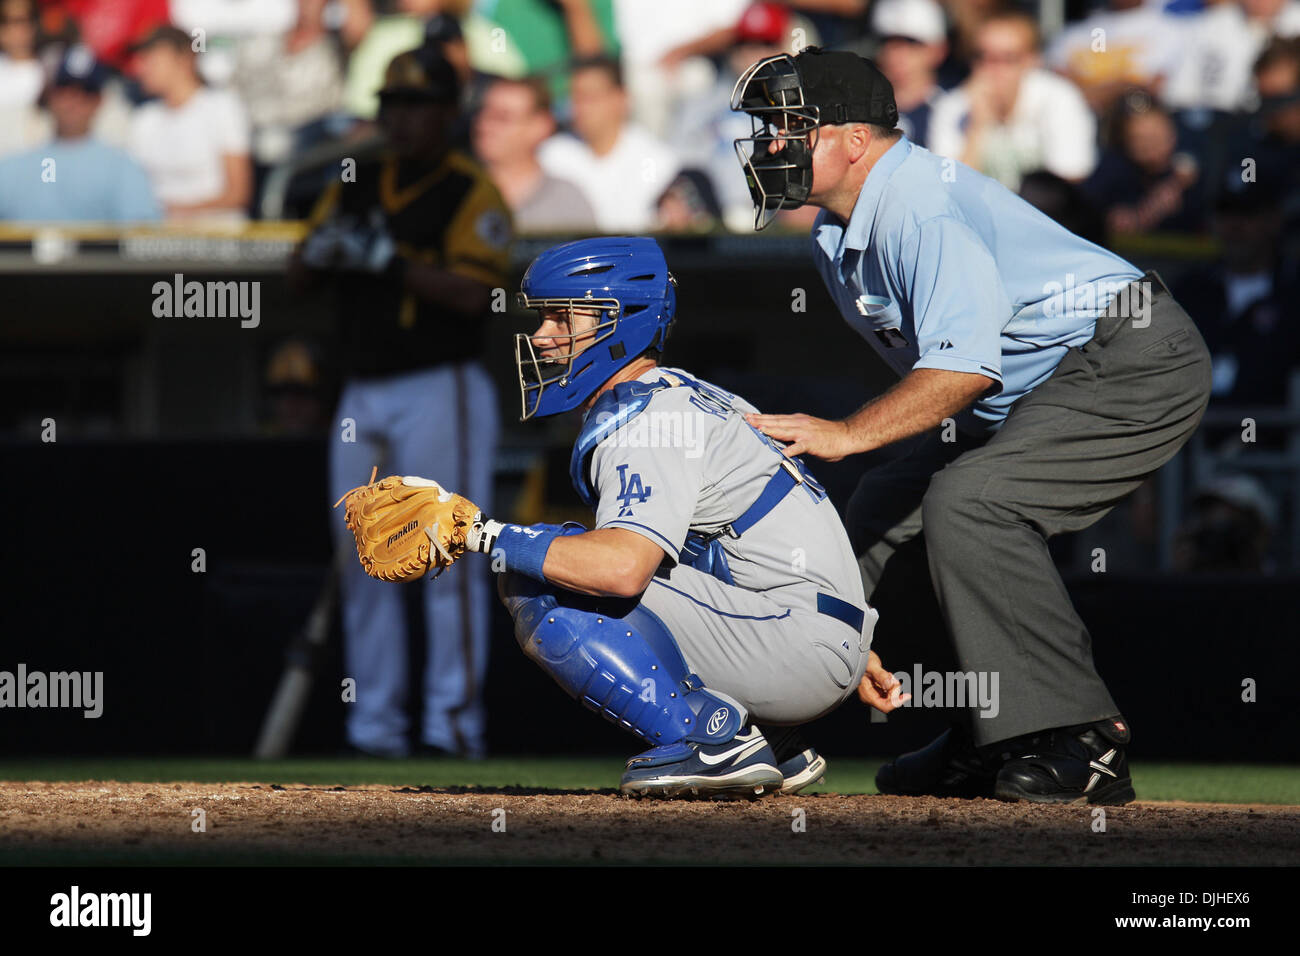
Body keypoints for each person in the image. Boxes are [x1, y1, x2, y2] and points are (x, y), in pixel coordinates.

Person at [730, 47, 1213, 804]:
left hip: (1130, 354)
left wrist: (847, 433)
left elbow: (964, 370)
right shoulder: (837, 232)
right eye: (767, 128)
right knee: (883, 519)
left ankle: (1081, 739)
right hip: (1043, 384)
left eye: (789, 126)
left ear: (854, 140)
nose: (769, 144)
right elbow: (967, 377)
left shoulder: (916, 204)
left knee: (973, 503)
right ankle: (988, 729)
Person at [469, 236, 902, 796]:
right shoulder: (681, 394)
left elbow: (621, 570)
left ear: (617, 320)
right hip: (807, 630)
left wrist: (480, 533)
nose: (541, 335)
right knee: (569, 554)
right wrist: (843, 645)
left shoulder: (646, 419)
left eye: (560, 317)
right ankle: (776, 744)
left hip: (800, 640)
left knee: (539, 573)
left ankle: (712, 741)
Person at [291, 44, 510, 759]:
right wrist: (326, 250)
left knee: (448, 556)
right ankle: (374, 729)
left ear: (448, 114)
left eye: (419, 106)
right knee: (363, 560)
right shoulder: (353, 179)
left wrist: (392, 264)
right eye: (393, 106)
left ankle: (454, 727)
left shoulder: (467, 187)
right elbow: (295, 274)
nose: (403, 119)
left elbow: (479, 294)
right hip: (361, 389)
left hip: (437, 384)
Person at [928, 10, 1097, 191]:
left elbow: (1069, 178)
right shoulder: (954, 106)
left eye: (1007, 58)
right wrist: (977, 128)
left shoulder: (1059, 98)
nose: (991, 68)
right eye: (982, 56)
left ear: (1033, 61)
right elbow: (949, 188)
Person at [0, 45, 160, 221]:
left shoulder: (123, 169)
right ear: (49, 96)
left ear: (99, 101)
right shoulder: (12, 168)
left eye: (85, 92)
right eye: (64, 90)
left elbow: (140, 236)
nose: (72, 102)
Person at [537, 54, 679, 233]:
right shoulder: (550, 156)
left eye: (590, 97)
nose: (579, 108)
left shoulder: (659, 162)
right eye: (574, 97)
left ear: (622, 99)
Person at [126, 25, 252, 220]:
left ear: (184, 59)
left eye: (150, 57)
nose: (140, 68)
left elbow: (238, 193)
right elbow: (132, 190)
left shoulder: (222, 107)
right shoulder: (144, 118)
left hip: (216, 236)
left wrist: (178, 212)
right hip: (156, 238)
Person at [471, 74, 596, 233]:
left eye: (502, 117)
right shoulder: (457, 190)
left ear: (541, 126)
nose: (485, 125)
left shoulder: (567, 201)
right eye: (483, 113)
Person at [870, 0, 947, 147]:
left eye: (912, 44)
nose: (898, 55)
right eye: (888, 43)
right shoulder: (859, 110)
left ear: (939, 50)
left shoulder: (956, 110)